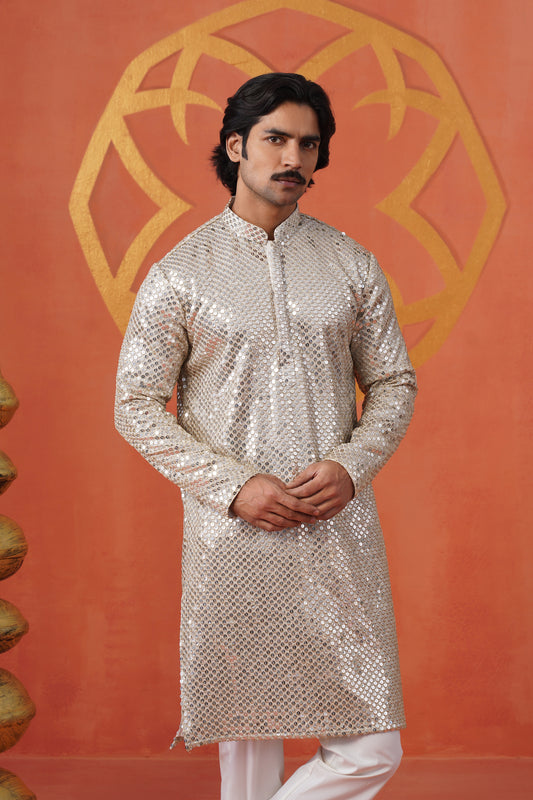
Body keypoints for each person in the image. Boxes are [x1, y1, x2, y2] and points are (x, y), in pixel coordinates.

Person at [115, 72, 417, 800]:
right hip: (233, 536)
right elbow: (135, 404)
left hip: (333, 527)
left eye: (307, 145)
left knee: (371, 749)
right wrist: (231, 487)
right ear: (235, 147)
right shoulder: (182, 274)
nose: (293, 158)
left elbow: (393, 383)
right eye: (276, 139)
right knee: (247, 743)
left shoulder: (350, 264)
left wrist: (352, 465)